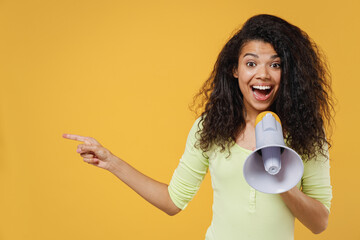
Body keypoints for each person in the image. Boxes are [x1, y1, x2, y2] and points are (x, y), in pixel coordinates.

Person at [63, 14, 333, 240]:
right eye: (251, 63)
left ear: (289, 73)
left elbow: (319, 223)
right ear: (235, 70)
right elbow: (172, 202)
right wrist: (112, 162)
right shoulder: (210, 127)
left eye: (275, 64)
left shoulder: (306, 132)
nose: (262, 74)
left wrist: (282, 182)